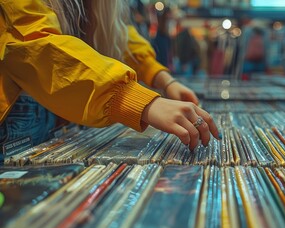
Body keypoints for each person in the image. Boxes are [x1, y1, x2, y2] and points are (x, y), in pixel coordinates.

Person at [0, 0, 220, 163]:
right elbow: (33, 43)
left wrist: (163, 79)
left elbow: (117, 34)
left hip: (56, 117)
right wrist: (139, 101)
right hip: (16, 118)